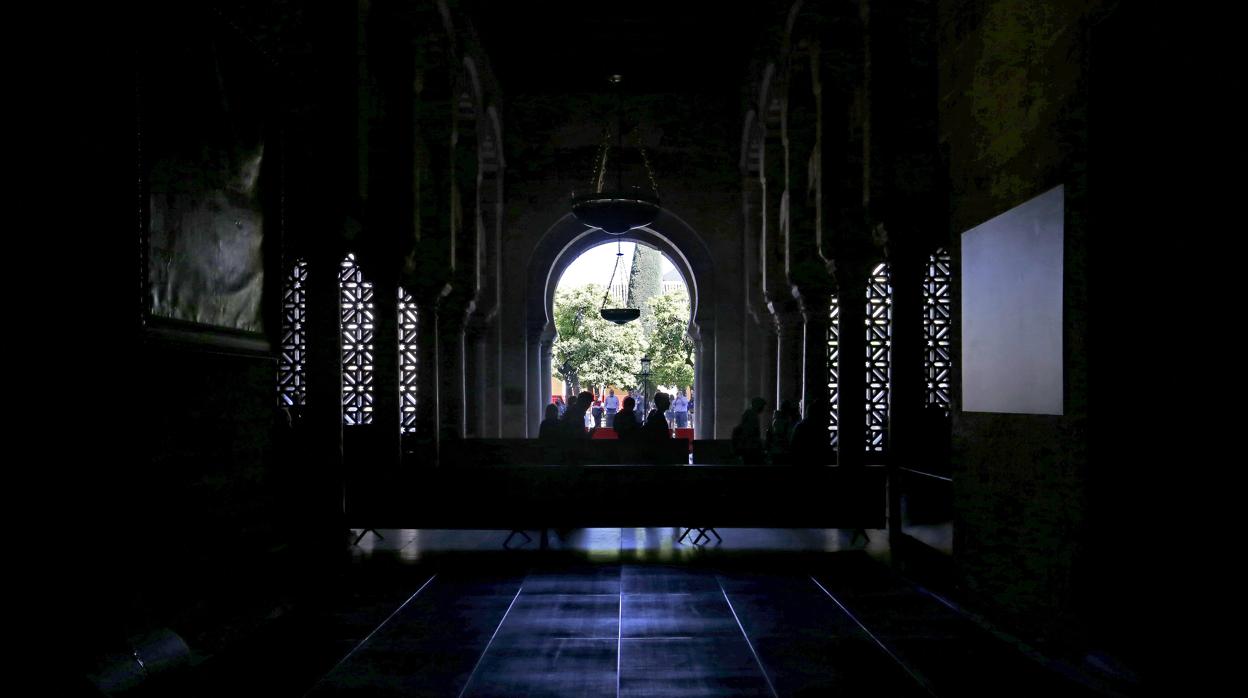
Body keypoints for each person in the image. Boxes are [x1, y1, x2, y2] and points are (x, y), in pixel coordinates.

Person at [732, 397, 767, 465]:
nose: (763, 409)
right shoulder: (752, 416)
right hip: (750, 447)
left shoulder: (750, 414)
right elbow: (751, 432)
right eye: (762, 406)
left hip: (748, 446)